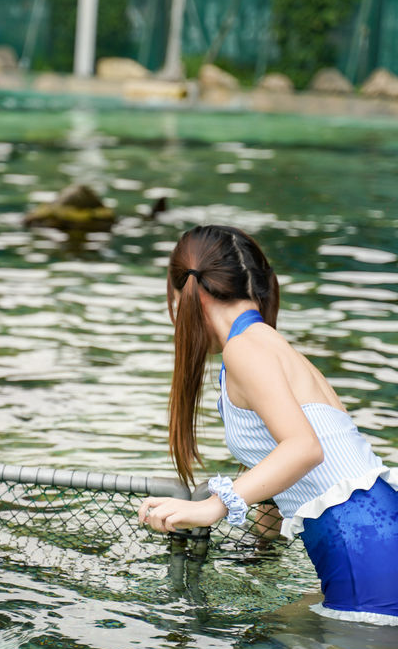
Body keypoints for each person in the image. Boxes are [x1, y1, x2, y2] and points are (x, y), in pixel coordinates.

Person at [138, 224, 398, 627]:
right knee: (288, 642)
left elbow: (304, 448)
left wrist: (211, 507)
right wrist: (264, 530)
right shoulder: (265, 343)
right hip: (371, 531)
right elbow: (308, 459)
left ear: (187, 292)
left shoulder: (246, 349)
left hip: (361, 539)